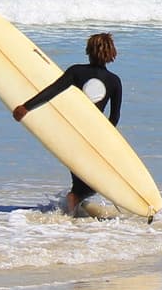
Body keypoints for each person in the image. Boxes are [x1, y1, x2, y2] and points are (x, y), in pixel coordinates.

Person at [12, 32, 125, 216]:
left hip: (71, 132)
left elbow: (52, 91)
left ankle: (70, 214)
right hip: (95, 137)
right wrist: (108, 143)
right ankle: (72, 208)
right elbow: (114, 117)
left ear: (88, 51)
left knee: (82, 178)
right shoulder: (114, 81)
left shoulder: (76, 71)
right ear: (112, 53)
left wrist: (26, 107)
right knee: (92, 183)